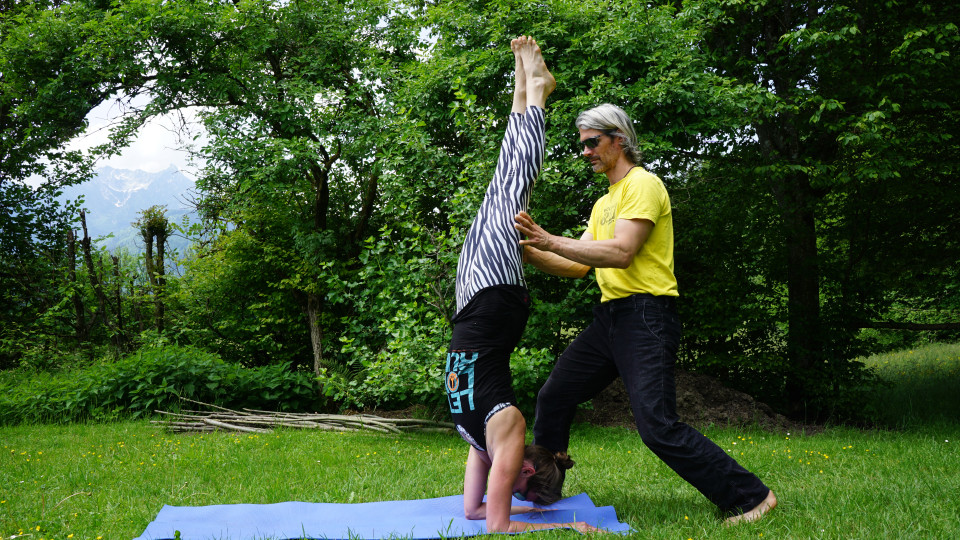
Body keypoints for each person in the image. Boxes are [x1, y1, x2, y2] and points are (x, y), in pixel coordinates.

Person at [513, 103, 778, 525]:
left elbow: (621, 252)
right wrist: (526, 253)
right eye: (582, 144)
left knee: (657, 426)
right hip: (610, 319)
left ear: (619, 139)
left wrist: (550, 240)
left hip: (647, 316)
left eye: (592, 142)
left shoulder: (643, 185)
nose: (585, 151)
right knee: (554, 396)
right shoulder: (603, 204)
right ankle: (542, 490)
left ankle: (752, 497)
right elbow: (578, 264)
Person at [443, 36, 599, 534]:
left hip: (477, 303)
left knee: (500, 185)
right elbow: (498, 527)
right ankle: (538, 93)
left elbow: (475, 514)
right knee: (511, 192)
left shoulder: (480, 441)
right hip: (493, 301)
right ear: (525, 470)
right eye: (520, 489)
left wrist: (524, 510)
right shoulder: (505, 429)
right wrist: (562, 527)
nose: (504, 492)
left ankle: (527, 86)